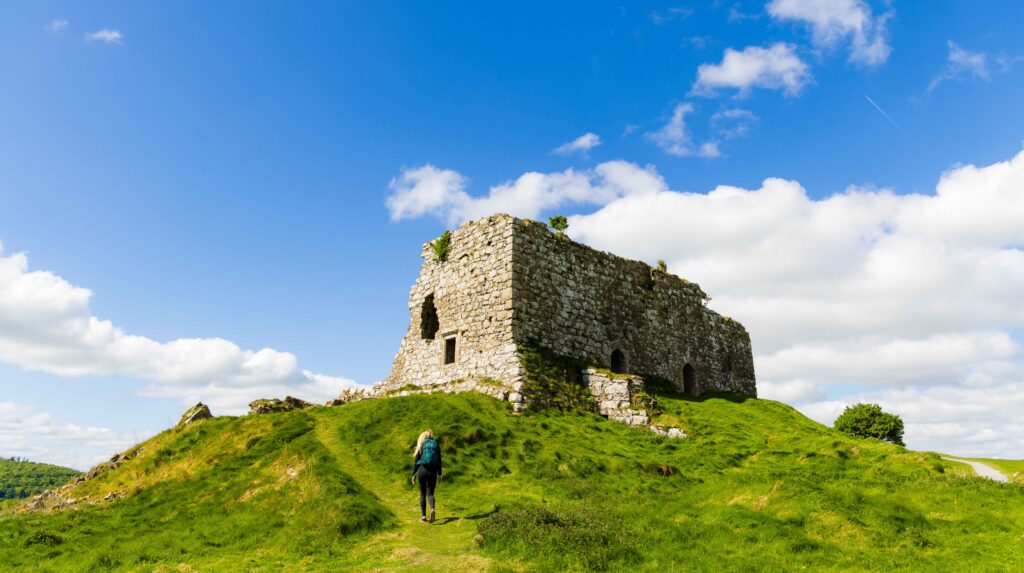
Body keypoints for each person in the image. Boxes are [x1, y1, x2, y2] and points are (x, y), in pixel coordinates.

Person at [411, 429, 443, 523]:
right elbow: (439, 461)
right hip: (432, 471)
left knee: (422, 494)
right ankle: (432, 509)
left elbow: (416, 461)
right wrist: (440, 475)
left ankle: (424, 517)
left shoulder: (421, 444)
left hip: (422, 470)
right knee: (431, 493)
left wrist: (414, 474)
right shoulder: (436, 445)